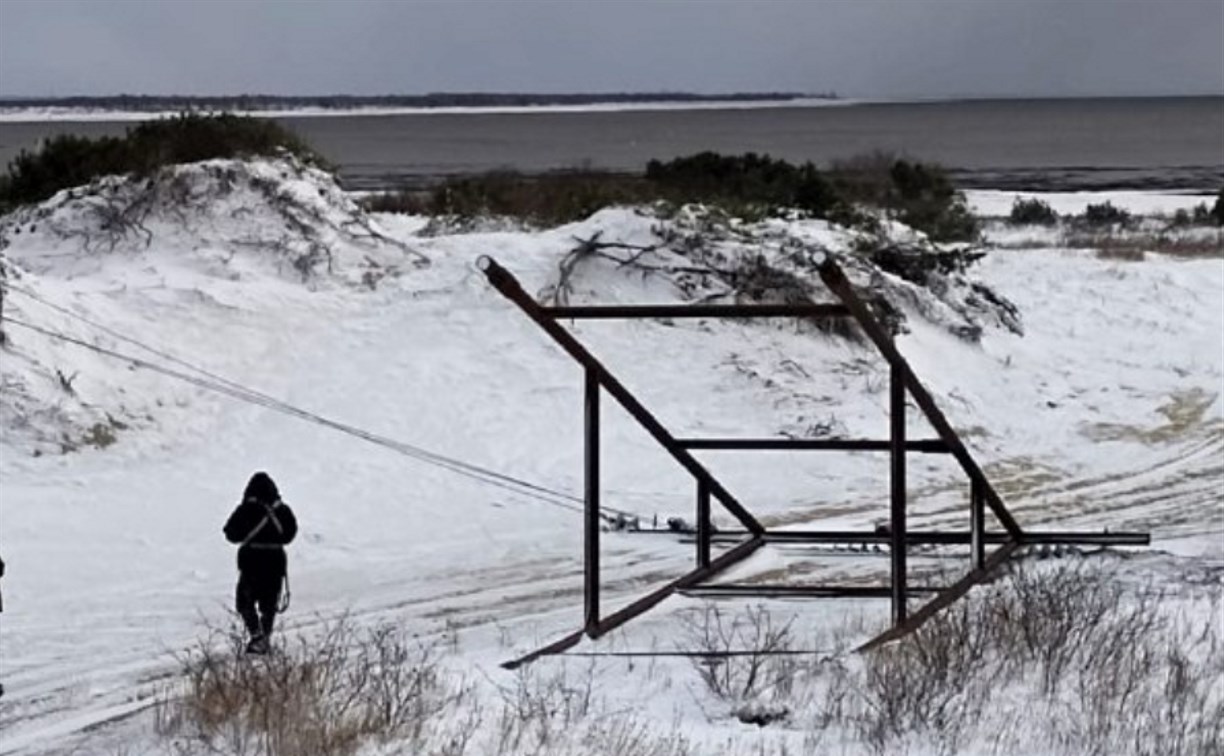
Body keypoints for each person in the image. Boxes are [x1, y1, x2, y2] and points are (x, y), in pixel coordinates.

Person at [223, 472, 297, 654]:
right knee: (269, 604)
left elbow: (230, 533)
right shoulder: (281, 510)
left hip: (251, 563)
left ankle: (256, 635)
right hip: (275, 563)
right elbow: (289, 534)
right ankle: (264, 637)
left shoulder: (246, 509)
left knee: (245, 602)